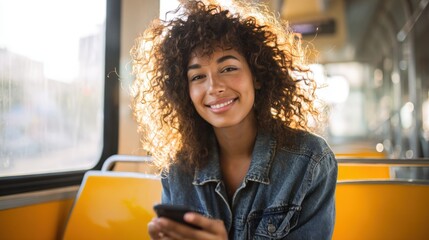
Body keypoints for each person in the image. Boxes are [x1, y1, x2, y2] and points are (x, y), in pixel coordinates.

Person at [130, 0, 337, 239]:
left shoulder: (310, 161)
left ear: (257, 76)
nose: (214, 87)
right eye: (197, 76)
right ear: (184, 91)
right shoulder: (178, 168)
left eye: (228, 68)